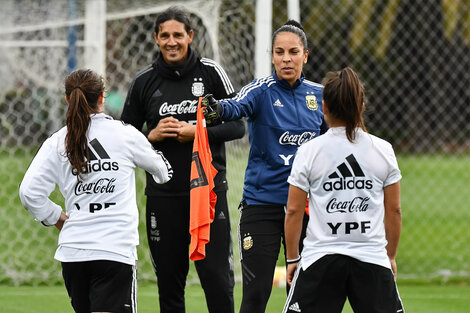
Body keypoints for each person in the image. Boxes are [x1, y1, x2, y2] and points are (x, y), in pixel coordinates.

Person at [120, 6, 245, 313]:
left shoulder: (210, 73)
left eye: (178, 35)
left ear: (190, 36)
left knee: (217, 281)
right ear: (155, 39)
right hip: (163, 197)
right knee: (170, 286)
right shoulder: (144, 82)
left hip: (207, 195)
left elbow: (238, 125)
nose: (172, 42)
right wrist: (151, 135)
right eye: (165, 36)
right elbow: (123, 136)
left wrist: (197, 132)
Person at [19, 69, 173, 313]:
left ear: (68, 99)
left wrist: (56, 217)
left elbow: (29, 193)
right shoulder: (125, 135)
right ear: (102, 97)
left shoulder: (58, 140)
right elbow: (163, 173)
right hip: (114, 251)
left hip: (74, 254)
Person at [203, 20, 327, 313]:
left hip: (309, 210)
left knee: (305, 297)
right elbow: (236, 106)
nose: (286, 58)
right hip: (263, 207)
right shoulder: (260, 91)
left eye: (293, 52)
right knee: (256, 295)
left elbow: (336, 138)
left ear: (305, 55)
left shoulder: (321, 95)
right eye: (280, 52)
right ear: (271, 55)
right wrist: (217, 109)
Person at [283, 67, 405, 313]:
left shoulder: (310, 151)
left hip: (320, 258)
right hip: (372, 258)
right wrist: (389, 256)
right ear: (361, 105)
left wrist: (293, 258)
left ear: (324, 107)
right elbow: (394, 210)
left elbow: (294, 211)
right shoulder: (383, 149)